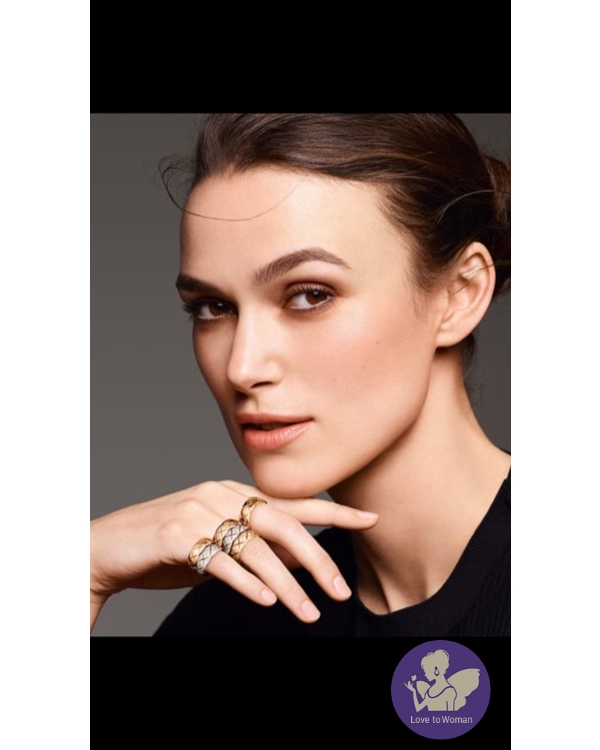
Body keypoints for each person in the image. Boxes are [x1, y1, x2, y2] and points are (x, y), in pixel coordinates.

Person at [90, 113, 510, 637]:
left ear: (459, 294)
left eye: (310, 295)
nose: (242, 368)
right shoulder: (233, 621)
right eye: (212, 307)